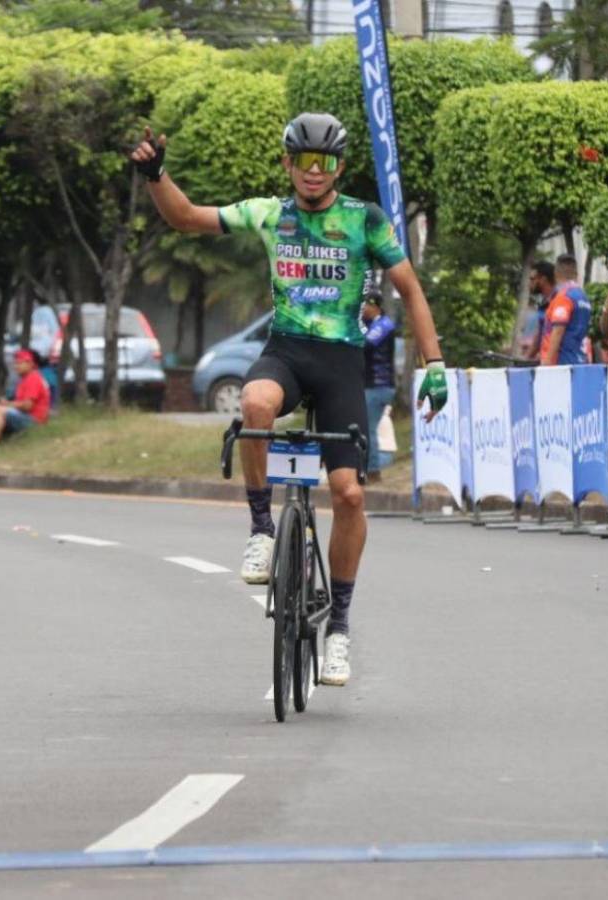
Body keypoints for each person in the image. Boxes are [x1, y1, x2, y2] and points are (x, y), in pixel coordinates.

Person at [130, 113, 447, 687]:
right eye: (303, 161)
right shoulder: (270, 213)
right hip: (287, 352)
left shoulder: (364, 220)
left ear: (339, 169)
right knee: (253, 405)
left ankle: (341, 629)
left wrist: (435, 365)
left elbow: (410, 289)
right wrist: (157, 175)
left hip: (341, 363)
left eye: (324, 163)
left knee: (348, 494)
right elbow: (185, 218)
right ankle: (260, 529)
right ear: (288, 164)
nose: (313, 173)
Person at [0, 349, 50, 457]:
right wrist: (6, 403)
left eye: (19, 363)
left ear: (30, 364)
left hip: (34, 421)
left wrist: (6, 404)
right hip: (26, 416)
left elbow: (27, 406)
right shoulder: (25, 379)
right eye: (15, 363)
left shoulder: (33, 378)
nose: (16, 366)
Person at [361, 289, 396, 483]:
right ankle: (366, 467)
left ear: (374, 306)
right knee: (362, 426)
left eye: (364, 304)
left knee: (369, 427)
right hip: (368, 385)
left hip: (379, 385)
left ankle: (373, 471)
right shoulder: (368, 324)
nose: (362, 309)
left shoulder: (384, 325)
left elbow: (366, 344)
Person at [540, 254, 591, 366]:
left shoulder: (564, 297)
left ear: (556, 273)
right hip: (580, 360)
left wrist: (547, 363)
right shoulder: (583, 297)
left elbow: (558, 330)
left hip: (561, 365)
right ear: (576, 274)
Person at [519, 260, 556, 360]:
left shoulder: (558, 303)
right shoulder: (544, 304)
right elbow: (539, 336)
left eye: (532, 279)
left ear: (543, 279)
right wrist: (526, 360)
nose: (529, 283)